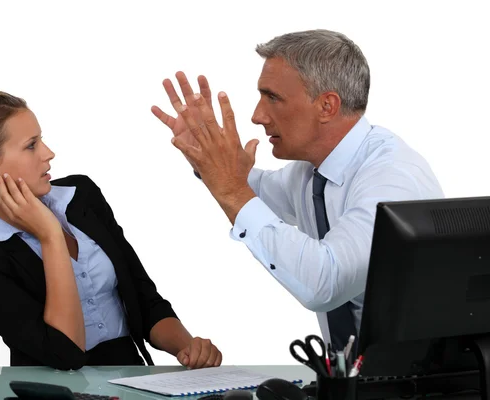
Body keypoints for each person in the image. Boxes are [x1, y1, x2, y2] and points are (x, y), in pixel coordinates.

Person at [151, 29, 444, 356]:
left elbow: (326, 281)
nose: (257, 116)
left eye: (272, 97)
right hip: (357, 379)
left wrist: (232, 189)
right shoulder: (312, 173)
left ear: (327, 106)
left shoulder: (390, 178)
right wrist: (207, 158)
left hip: (425, 382)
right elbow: (254, 193)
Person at [0, 90, 222, 370]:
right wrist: (50, 236)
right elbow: (65, 354)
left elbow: (145, 301)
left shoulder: (81, 196)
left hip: (133, 379)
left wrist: (188, 348)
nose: (49, 153)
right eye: (31, 145)